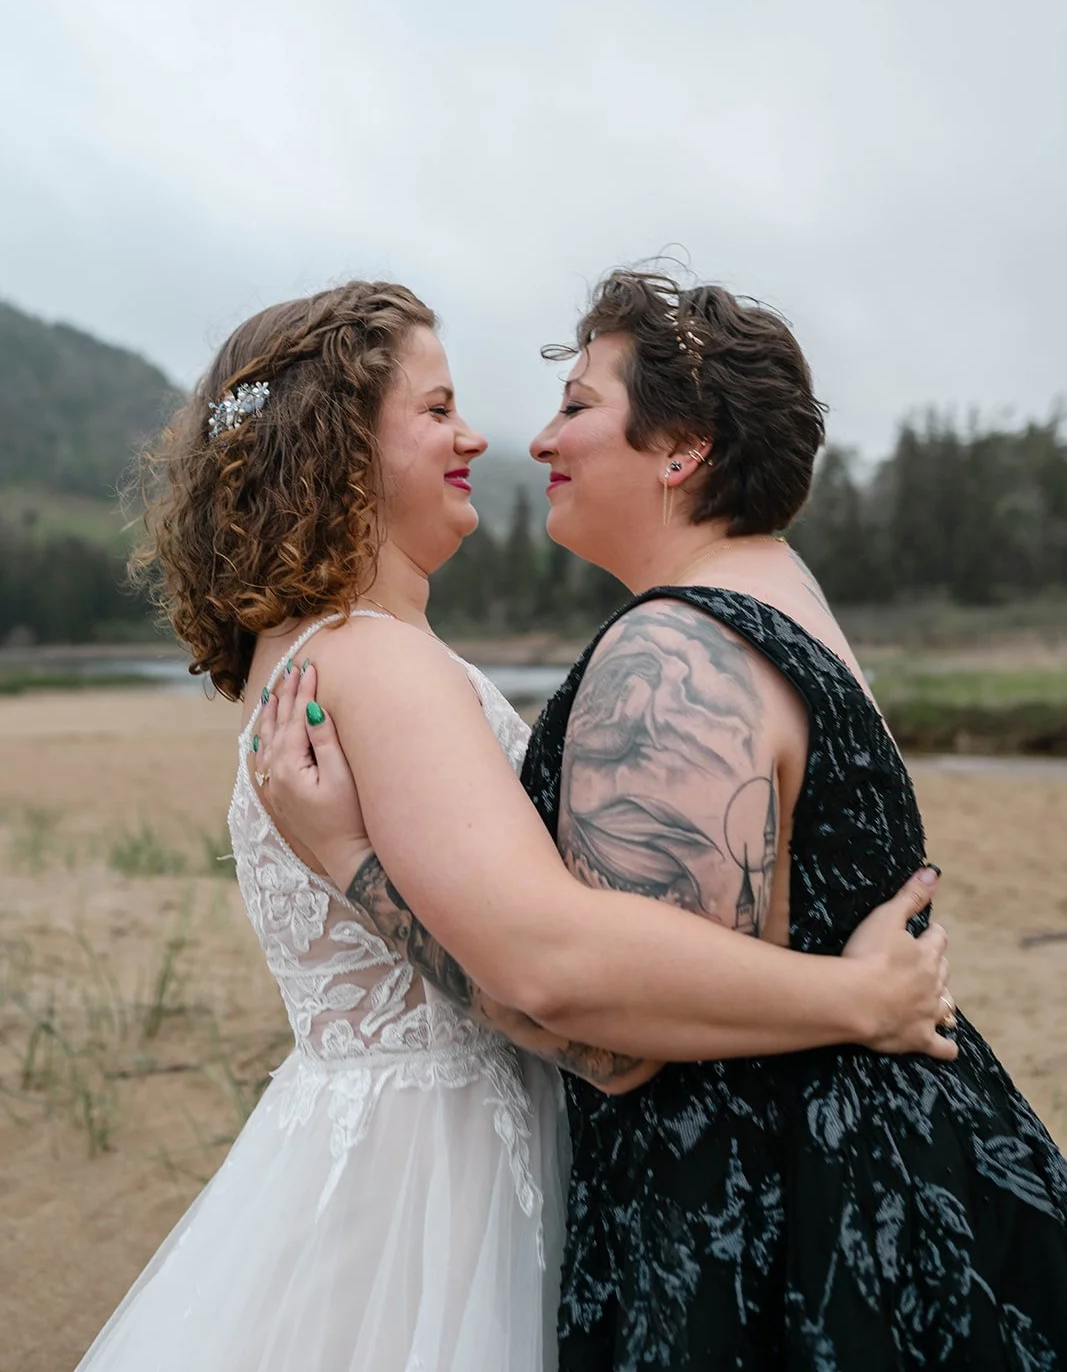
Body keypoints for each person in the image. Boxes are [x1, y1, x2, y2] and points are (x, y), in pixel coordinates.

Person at [79, 279, 952, 1372]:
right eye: (437, 408)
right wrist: (854, 997)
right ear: (344, 447)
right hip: (439, 1179)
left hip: (369, 1140)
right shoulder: (377, 662)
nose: (477, 435)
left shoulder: (313, 652)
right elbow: (568, 993)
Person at [262, 270, 1067, 1369]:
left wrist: (350, 858)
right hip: (902, 1152)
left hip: (772, 1209)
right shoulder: (777, 591)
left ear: (681, 444)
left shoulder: (674, 651)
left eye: (579, 404)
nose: (538, 439)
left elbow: (599, 1022)